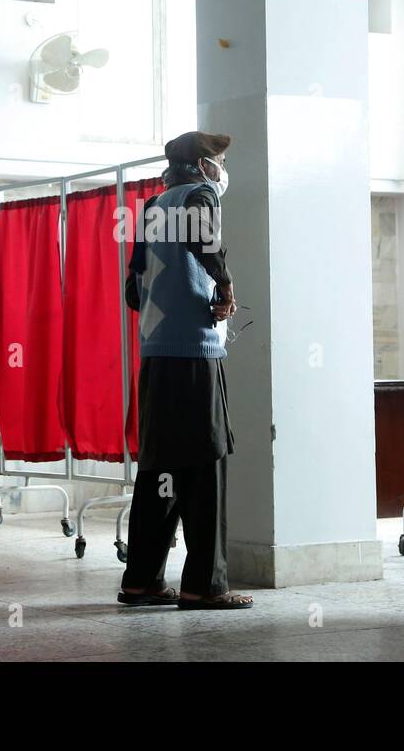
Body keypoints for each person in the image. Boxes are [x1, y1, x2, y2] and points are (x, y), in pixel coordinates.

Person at [117, 130, 254, 610]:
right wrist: (226, 286)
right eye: (217, 158)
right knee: (205, 465)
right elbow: (206, 244)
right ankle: (203, 586)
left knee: (159, 469)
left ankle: (142, 581)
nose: (221, 168)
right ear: (202, 164)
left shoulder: (153, 206)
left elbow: (133, 287)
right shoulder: (201, 195)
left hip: (156, 354)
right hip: (195, 354)